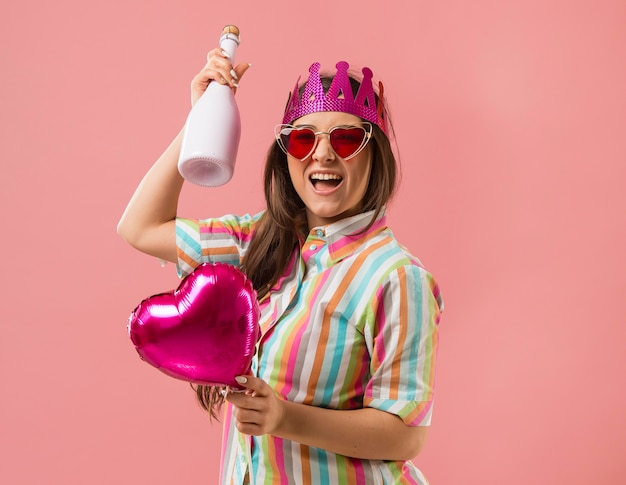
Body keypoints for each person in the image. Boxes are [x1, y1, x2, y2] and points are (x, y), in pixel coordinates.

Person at [118, 47, 443, 484]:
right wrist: (200, 120)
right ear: (286, 153)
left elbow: (405, 435)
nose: (322, 154)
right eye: (303, 139)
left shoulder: (396, 277)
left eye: (345, 138)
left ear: (374, 154)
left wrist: (283, 417)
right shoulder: (259, 241)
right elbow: (140, 227)